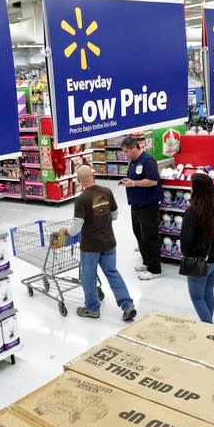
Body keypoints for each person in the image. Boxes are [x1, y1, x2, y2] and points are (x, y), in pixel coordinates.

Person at [64, 165, 136, 320]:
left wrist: (66, 233)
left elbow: (76, 228)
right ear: (93, 176)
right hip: (109, 241)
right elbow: (115, 215)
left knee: (88, 277)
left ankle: (92, 309)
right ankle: (127, 305)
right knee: (112, 272)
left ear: (79, 181)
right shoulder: (107, 192)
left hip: (91, 246)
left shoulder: (81, 199)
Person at [180, 173, 214, 324]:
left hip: (200, 261)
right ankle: (208, 323)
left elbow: (186, 241)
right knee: (208, 293)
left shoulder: (192, 211)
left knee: (197, 297)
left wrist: (189, 255)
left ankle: (209, 328)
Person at [119, 136, 163, 280]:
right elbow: (135, 179)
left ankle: (155, 270)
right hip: (136, 204)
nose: (125, 155)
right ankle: (146, 262)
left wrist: (134, 184)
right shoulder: (133, 162)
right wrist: (127, 182)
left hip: (148, 205)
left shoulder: (148, 161)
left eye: (126, 152)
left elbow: (152, 181)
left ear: (134, 148)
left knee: (150, 236)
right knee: (139, 234)